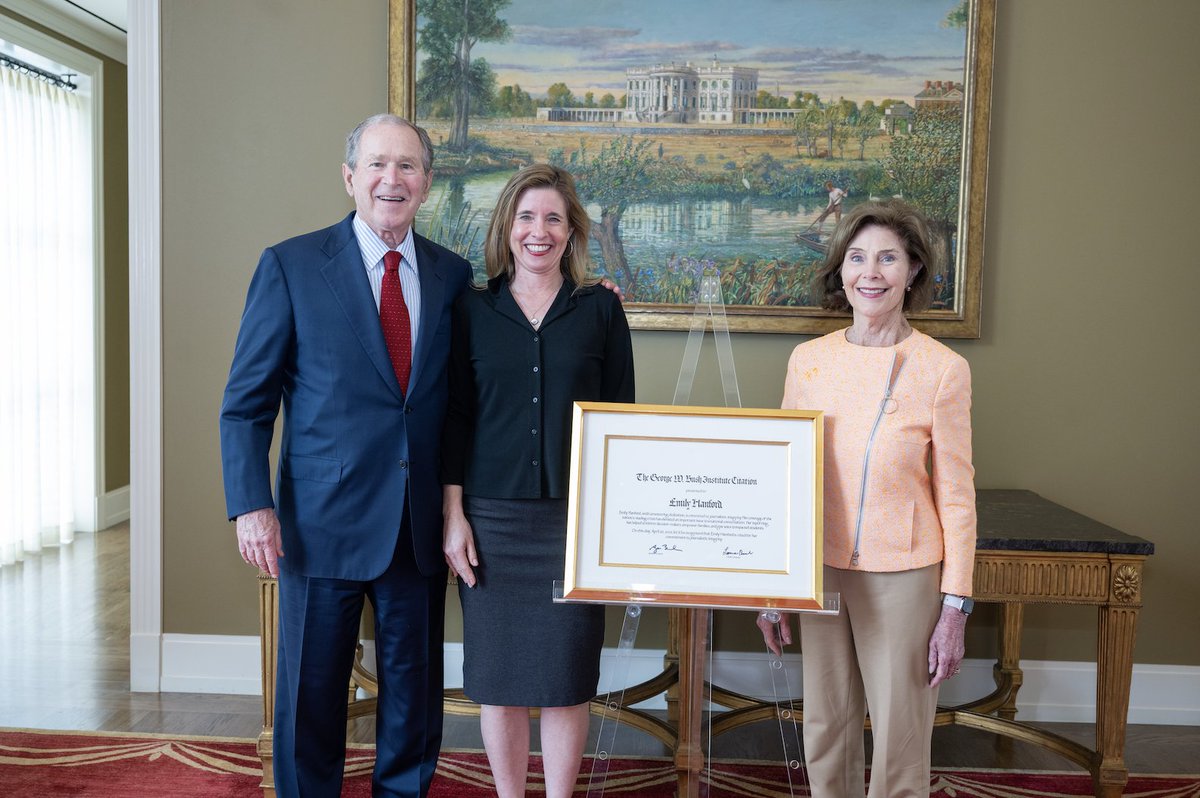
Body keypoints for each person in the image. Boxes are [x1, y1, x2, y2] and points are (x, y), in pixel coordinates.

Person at [219, 114, 472, 798]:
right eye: (379, 164)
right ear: (350, 177)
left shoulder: (453, 276)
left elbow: (453, 406)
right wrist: (251, 507)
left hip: (414, 529)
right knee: (311, 698)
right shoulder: (292, 265)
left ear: (427, 183)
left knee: (414, 703)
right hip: (317, 524)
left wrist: (454, 507)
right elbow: (245, 404)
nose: (393, 179)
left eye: (409, 166)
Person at [758, 198, 976, 797]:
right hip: (820, 567)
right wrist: (774, 583)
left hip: (905, 571)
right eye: (857, 258)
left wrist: (955, 606)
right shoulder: (809, 360)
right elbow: (787, 474)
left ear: (912, 273)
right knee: (826, 724)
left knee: (902, 727)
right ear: (841, 272)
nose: (870, 272)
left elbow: (958, 495)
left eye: (887, 258)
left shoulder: (943, 368)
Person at [441, 164, 635, 798]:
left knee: (566, 678)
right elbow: (455, 418)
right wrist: (454, 516)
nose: (539, 231)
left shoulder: (601, 308)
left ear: (571, 230)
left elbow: (619, 421)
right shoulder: (470, 309)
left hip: (573, 522)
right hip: (490, 521)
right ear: (508, 226)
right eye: (526, 217)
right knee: (497, 680)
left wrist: (611, 526)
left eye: (553, 218)